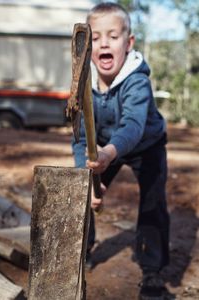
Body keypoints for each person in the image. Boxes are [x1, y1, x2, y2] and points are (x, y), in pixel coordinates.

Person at [72, 2, 170, 299]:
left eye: (113, 36)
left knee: (153, 204)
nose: (104, 42)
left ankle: (152, 271)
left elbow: (133, 126)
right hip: (103, 147)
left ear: (128, 43)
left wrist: (108, 154)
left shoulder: (137, 80)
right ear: (87, 44)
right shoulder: (82, 83)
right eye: (97, 36)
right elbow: (79, 138)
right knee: (81, 192)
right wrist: (86, 177)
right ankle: (81, 251)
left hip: (146, 144)